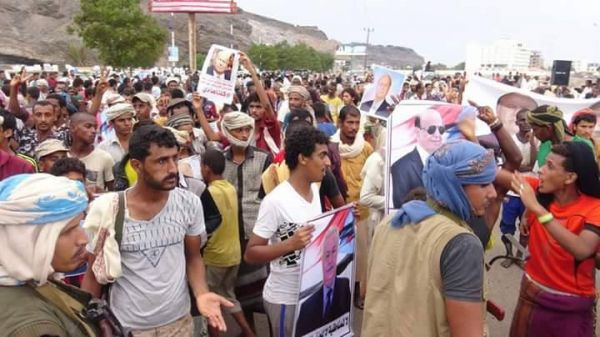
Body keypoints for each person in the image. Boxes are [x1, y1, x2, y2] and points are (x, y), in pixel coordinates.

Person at [82, 125, 232, 335]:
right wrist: (86, 324)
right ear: (137, 165)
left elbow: (193, 257)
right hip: (128, 328)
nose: (172, 168)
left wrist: (201, 294)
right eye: (161, 161)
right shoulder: (108, 209)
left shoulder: (189, 203)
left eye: (174, 158)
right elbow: (93, 274)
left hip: (179, 324)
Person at [362, 140, 498, 337]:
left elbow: (369, 293)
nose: (492, 193)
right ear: (454, 186)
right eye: (483, 184)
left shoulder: (391, 221)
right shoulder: (461, 244)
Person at [506, 142, 600, 337]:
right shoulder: (540, 192)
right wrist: (493, 127)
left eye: (550, 166)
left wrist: (538, 210)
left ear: (570, 177)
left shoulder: (594, 208)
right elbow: (495, 175)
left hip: (571, 305)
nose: (540, 169)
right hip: (532, 294)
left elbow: (583, 249)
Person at [245, 125, 330, 337]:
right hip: (285, 299)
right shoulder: (275, 201)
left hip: (311, 292)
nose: (328, 162)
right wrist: (289, 244)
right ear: (303, 158)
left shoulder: (314, 190)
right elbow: (251, 253)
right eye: (322, 156)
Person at [0, 174, 107, 336]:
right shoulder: (32, 327)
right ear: (24, 239)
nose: (83, 239)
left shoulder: (29, 280)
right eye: (67, 231)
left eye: (79, 225)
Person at [201, 149, 256, 337]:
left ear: (206, 169)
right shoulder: (230, 188)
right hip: (234, 254)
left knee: (211, 301)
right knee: (229, 296)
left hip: (215, 257)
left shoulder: (208, 193)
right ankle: (249, 332)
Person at [295, 227, 351, 336]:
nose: (330, 261)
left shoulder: (344, 285)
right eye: (326, 255)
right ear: (321, 259)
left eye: (334, 252)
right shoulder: (307, 307)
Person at [499, 108, 537, 268]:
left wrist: (532, 144)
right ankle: (508, 254)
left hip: (528, 192)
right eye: (522, 120)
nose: (525, 123)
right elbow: (509, 164)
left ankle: (519, 255)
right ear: (516, 122)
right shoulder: (510, 140)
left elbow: (533, 164)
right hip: (511, 191)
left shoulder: (537, 141)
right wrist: (522, 166)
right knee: (507, 226)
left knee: (525, 227)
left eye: (528, 119)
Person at [391, 108, 444, 208]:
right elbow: (400, 208)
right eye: (431, 129)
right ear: (417, 132)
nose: (437, 134)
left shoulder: (448, 163)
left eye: (441, 129)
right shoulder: (401, 167)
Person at [239, 52, 282, 155]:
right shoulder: (243, 131)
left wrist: (252, 73)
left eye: (258, 107)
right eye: (251, 107)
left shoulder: (270, 127)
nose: (254, 110)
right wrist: (199, 109)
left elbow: (267, 106)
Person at [69, 113, 115, 192]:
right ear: (73, 128)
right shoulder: (62, 157)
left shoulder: (104, 158)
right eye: (88, 126)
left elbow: (113, 193)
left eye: (95, 127)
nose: (94, 131)